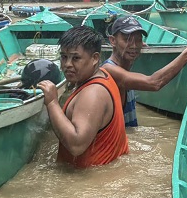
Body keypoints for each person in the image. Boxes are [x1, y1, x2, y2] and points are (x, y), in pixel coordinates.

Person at [37, 26, 129, 168]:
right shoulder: (103, 75)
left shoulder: (93, 93)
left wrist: (52, 102)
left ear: (95, 58)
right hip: (106, 173)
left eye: (76, 58)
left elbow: (76, 145)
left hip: (89, 181)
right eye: (64, 57)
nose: (67, 64)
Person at [102, 15, 187, 127]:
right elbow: (154, 83)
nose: (134, 45)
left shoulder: (125, 64)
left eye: (138, 40)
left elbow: (133, 48)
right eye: (127, 40)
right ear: (112, 41)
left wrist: (135, 49)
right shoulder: (109, 70)